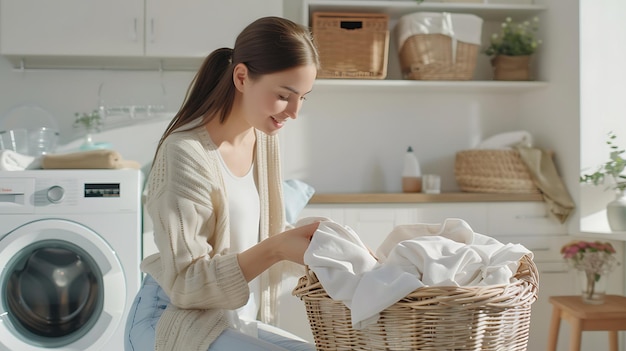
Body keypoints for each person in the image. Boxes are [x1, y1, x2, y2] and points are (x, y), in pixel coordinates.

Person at [124, 16, 320, 351]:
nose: (294, 112)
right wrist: (277, 249)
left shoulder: (265, 140)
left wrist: (319, 240)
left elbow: (261, 233)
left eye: (303, 97)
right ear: (242, 77)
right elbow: (186, 283)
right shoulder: (186, 154)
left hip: (231, 320)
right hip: (172, 319)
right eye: (285, 95)